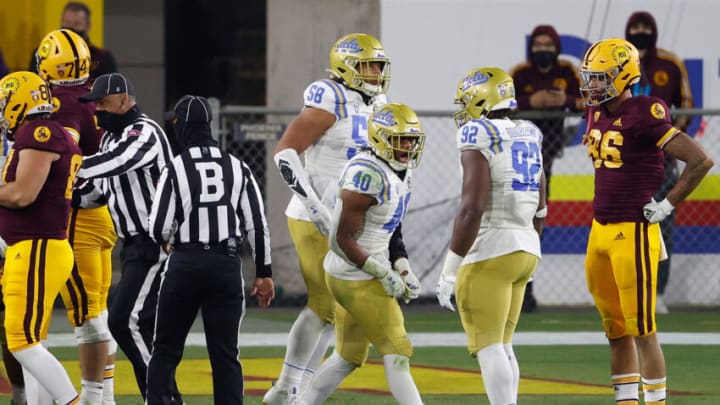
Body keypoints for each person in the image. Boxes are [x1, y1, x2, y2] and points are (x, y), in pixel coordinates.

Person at [579, 38, 713, 405]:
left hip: (632, 232)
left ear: (624, 77)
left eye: (600, 78)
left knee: (643, 330)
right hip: (600, 230)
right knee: (615, 330)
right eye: (590, 77)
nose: (592, 85)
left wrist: (667, 204)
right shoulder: (597, 111)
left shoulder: (644, 111)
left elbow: (700, 160)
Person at [263, 32, 393, 404]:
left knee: (331, 311)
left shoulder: (378, 101)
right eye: (368, 65)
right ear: (346, 67)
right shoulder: (328, 95)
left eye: (379, 66)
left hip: (348, 218)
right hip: (313, 214)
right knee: (325, 305)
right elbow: (285, 153)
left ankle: (292, 386)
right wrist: (317, 206)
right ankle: (289, 386)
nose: (375, 73)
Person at [146, 95, 274, 404]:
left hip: (186, 263)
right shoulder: (237, 166)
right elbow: (256, 223)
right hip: (225, 263)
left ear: (182, 127)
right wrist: (264, 273)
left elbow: (157, 224)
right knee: (225, 354)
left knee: (165, 349)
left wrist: (168, 240)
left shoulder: (175, 168)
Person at [435, 67, 546, 405]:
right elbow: (541, 205)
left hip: (492, 248)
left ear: (481, 98)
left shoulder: (476, 133)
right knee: (503, 345)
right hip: (526, 245)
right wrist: (532, 241)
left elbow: (472, 208)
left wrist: (449, 271)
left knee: (489, 346)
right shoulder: (528, 131)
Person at [301, 103, 424, 405]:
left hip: (356, 270)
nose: (408, 146)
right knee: (398, 349)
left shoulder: (396, 169)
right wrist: (382, 273)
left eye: (411, 139)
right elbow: (340, 240)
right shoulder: (367, 174)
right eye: (401, 139)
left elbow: (392, 225)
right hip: (354, 273)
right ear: (381, 138)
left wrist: (403, 267)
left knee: (347, 356)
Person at [75, 72, 181, 401]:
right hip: (133, 247)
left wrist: (65, 164)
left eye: (103, 103)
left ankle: (164, 397)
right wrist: (55, 194)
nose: (97, 112)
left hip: (157, 243)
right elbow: (95, 192)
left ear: (125, 100)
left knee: (125, 321)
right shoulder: (109, 140)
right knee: (141, 327)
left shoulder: (144, 132)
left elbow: (120, 162)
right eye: (95, 105)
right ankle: (162, 397)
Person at [35, 28, 118, 405]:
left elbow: (63, 151)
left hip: (75, 219)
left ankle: (92, 399)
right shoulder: (90, 95)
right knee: (97, 312)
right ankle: (107, 397)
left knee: (84, 318)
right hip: (102, 214)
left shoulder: (62, 103)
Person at [0, 70, 82, 404]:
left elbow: (22, 195)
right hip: (35, 246)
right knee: (30, 339)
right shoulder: (44, 132)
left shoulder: (40, 132)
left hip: (37, 246)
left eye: (6, 102)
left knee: (21, 340)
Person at [509, 24, 582, 313]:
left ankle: (527, 289)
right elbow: (502, 105)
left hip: (546, 161)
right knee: (516, 222)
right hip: (517, 163)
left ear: (556, 46)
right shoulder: (519, 73)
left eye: (548, 44)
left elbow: (589, 102)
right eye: (538, 44)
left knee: (537, 223)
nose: (543, 49)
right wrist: (532, 103)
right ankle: (512, 287)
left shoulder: (567, 72)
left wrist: (565, 101)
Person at [625, 11, 694, 314]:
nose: (640, 32)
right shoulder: (617, 62)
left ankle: (659, 292)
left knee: (663, 226)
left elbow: (687, 105)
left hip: (663, 160)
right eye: (635, 28)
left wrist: (669, 139)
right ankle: (628, 287)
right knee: (624, 223)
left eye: (644, 27)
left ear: (652, 31)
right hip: (626, 161)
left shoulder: (670, 63)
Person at [29, 1, 118, 81]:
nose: (70, 29)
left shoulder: (103, 58)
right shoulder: (42, 55)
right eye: (66, 23)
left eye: (76, 24)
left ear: (88, 26)